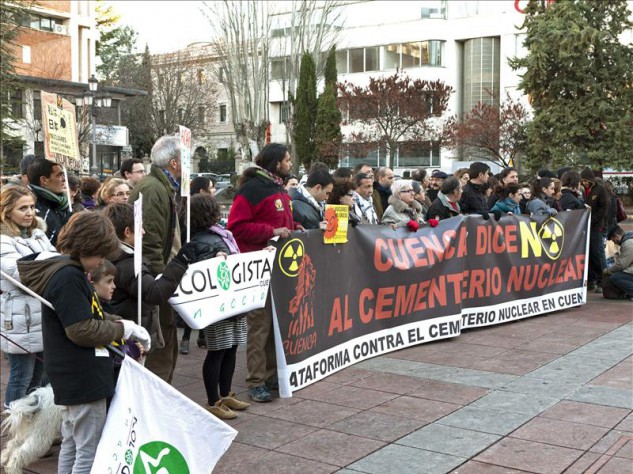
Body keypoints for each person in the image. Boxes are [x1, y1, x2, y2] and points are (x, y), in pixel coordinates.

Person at [18, 211, 150, 474]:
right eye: (100, 255)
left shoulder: (69, 272)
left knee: (72, 443)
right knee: (88, 450)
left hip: (74, 372)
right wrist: (122, 329)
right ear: (88, 246)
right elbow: (81, 329)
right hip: (82, 373)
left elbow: (90, 314)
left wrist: (122, 327)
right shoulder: (68, 277)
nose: (101, 262)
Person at [227, 143, 298, 402]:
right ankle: (255, 381)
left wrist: (298, 227)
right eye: (287, 160)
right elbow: (236, 227)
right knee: (259, 326)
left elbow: (282, 223)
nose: (290, 164)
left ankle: (269, 376)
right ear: (276, 163)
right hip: (257, 269)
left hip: (278, 269)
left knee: (274, 325)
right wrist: (271, 232)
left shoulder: (278, 188)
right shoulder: (252, 190)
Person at [104, 203, 199, 358]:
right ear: (128, 232)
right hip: (134, 339)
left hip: (134, 331)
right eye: (140, 227)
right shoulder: (127, 264)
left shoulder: (120, 256)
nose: (144, 232)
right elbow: (155, 293)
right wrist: (181, 260)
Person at [187, 194, 250, 418]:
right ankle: (213, 400)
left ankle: (225, 393)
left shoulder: (217, 234)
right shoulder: (204, 239)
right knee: (218, 351)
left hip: (230, 303)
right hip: (219, 306)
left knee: (231, 348)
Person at [129, 135, 183, 383]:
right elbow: (149, 244)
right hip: (155, 280)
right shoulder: (153, 189)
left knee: (166, 338)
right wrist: (161, 283)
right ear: (174, 163)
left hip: (160, 277)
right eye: (186, 159)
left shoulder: (163, 187)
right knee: (160, 341)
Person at [1, 186, 55, 408]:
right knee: (21, 377)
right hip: (20, 317)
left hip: (41, 312)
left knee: (39, 379)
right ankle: (14, 427)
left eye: (32, 207)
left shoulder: (39, 234)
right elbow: (19, 272)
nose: (30, 212)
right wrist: (49, 264)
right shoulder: (3, 240)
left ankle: (34, 428)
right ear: (6, 212)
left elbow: (57, 262)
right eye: (22, 208)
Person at [27, 158, 72, 246]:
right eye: (59, 175)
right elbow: (50, 244)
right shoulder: (32, 207)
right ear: (44, 180)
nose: (64, 179)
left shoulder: (58, 203)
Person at [580, 168, 609, 292]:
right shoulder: (582, 190)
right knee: (589, 253)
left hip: (596, 226)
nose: (584, 183)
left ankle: (603, 281)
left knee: (597, 253)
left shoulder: (600, 190)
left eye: (586, 181)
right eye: (583, 181)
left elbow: (604, 208)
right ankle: (592, 280)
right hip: (585, 226)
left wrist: (594, 220)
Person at [603, 226, 633, 300]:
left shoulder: (628, 243)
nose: (614, 243)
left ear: (617, 236)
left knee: (615, 277)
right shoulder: (630, 238)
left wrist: (607, 271)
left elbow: (622, 264)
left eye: (613, 241)